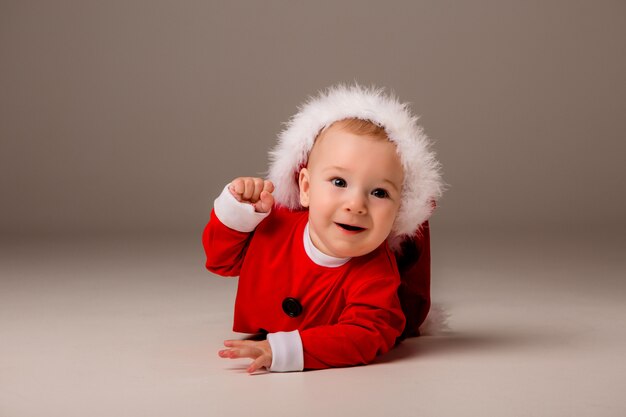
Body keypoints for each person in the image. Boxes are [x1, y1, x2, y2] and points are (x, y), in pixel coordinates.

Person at [202, 84, 443, 373]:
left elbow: (364, 334)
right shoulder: (274, 226)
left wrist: (282, 350)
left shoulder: (376, 274)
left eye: (379, 193)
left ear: (399, 211)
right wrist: (237, 213)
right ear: (305, 188)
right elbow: (220, 261)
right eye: (339, 182)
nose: (356, 205)